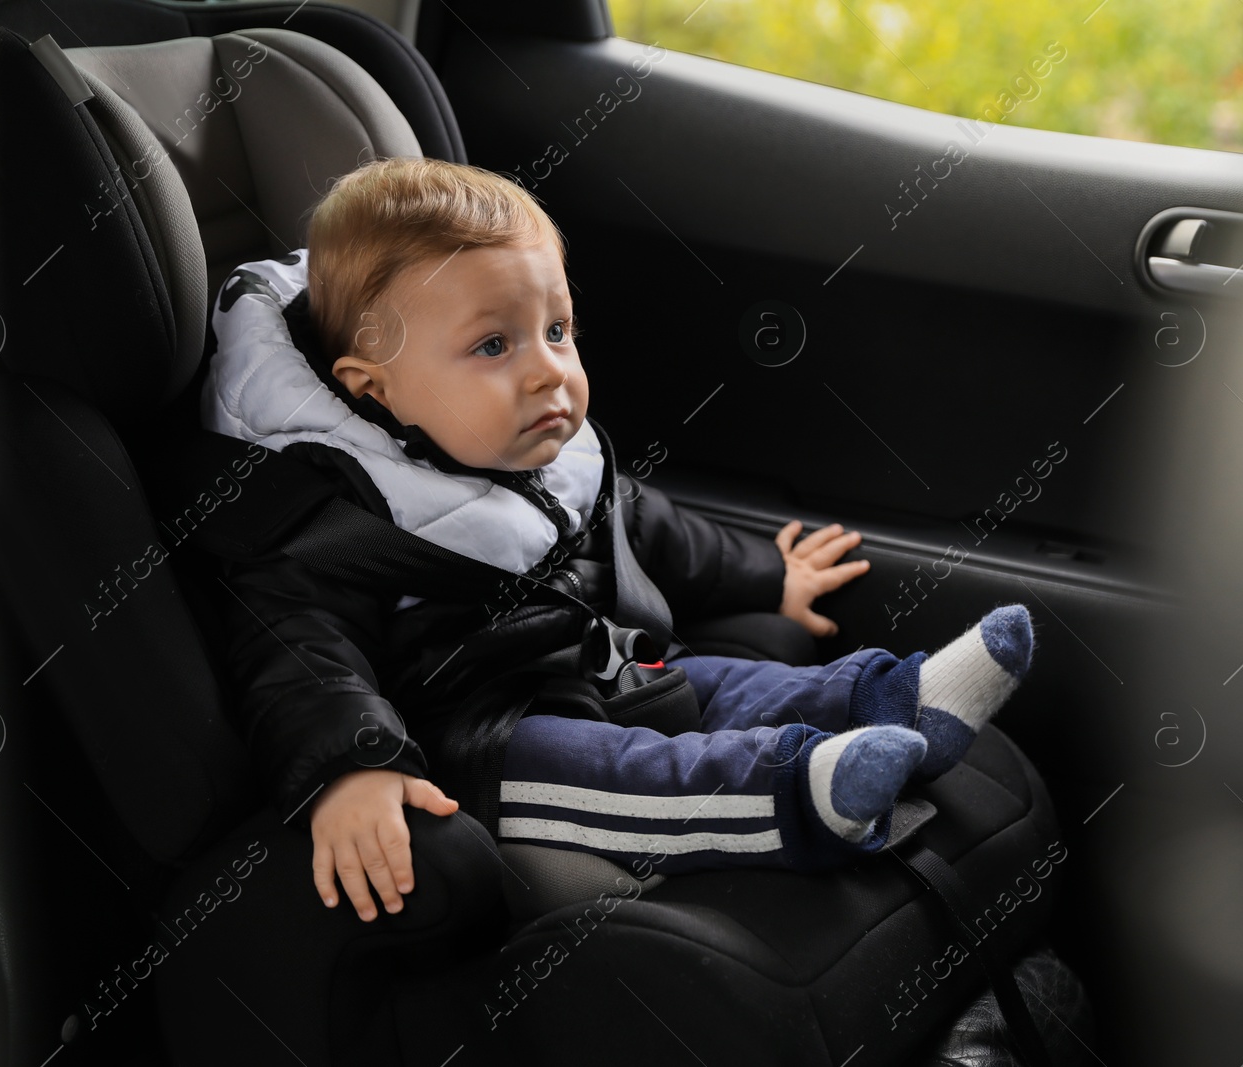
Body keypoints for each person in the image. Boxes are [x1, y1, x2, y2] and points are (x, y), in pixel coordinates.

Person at [200, 157, 1034, 925]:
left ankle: (891, 700)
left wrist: (767, 577)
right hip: (484, 741)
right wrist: (356, 764)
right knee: (626, 772)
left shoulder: (539, 454)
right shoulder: (334, 515)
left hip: (603, 667)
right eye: (494, 344)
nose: (546, 371)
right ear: (373, 388)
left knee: (722, 682)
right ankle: (799, 797)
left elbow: (653, 532)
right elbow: (298, 654)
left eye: (556, 331)